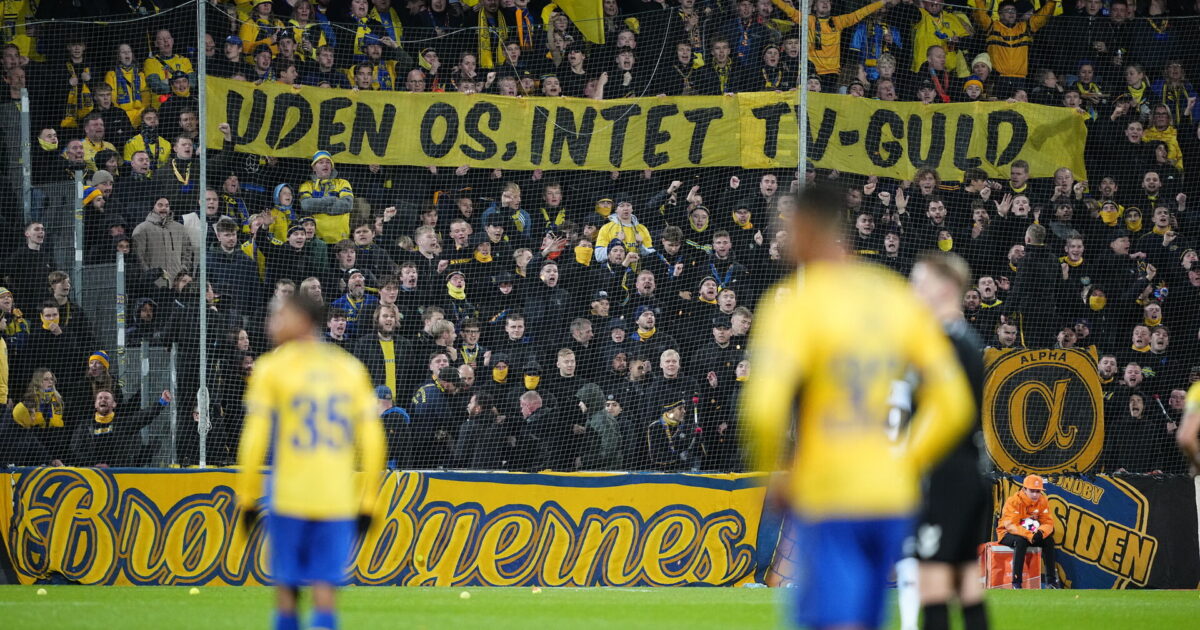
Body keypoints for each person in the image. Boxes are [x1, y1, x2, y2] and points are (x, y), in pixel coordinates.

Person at [743, 185, 973, 630]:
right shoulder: (893, 296)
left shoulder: (796, 304)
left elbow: (761, 408)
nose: (781, 236)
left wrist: (774, 469)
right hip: (892, 494)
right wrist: (907, 459)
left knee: (833, 620)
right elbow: (954, 402)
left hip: (830, 490)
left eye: (786, 226)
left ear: (808, 227)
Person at [236, 294, 386, 630]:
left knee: (287, 589)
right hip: (335, 497)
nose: (270, 323)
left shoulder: (271, 368)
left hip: (288, 494)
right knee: (325, 590)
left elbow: (253, 441)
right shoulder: (349, 368)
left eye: (279, 315)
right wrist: (370, 501)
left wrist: (246, 497)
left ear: (303, 320)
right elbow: (374, 442)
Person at [903, 252, 991, 630]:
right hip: (970, 471)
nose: (913, 291)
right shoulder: (965, 339)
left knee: (933, 585)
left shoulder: (945, 343)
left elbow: (946, 415)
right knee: (968, 583)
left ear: (946, 287)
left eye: (918, 282)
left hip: (947, 471)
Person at [996, 474, 1060, 589]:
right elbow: (1011, 525)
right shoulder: (1013, 501)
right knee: (1021, 541)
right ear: (1024, 489)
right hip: (1006, 533)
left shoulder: (1043, 501)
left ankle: (1051, 582)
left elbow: (1048, 522)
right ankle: (1016, 583)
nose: (1035, 494)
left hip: (1030, 534)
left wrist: (1041, 532)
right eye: (1032, 491)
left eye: (1038, 491)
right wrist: (1030, 535)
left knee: (1049, 541)